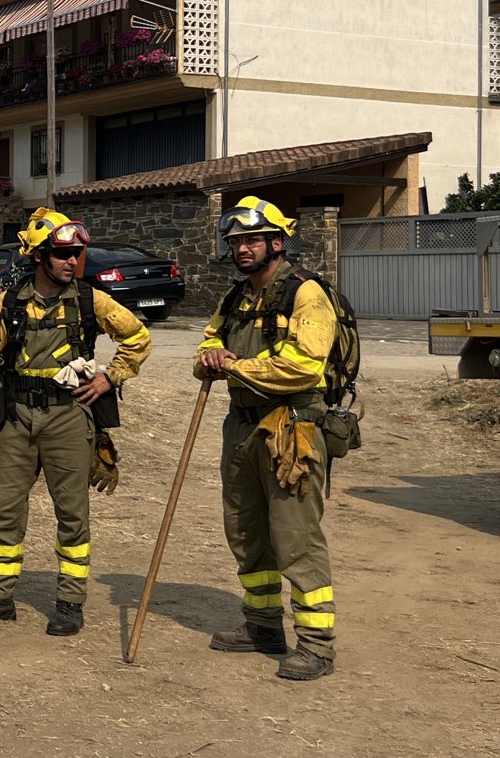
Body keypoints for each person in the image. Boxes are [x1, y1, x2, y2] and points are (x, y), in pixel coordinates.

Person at [0, 208, 151, 636]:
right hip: (16, 420)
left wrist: (109, 378)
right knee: (3, 510)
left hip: (69, 418)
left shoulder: (90, 300)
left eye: (77, 254)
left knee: (72, 513)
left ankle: (69, 602)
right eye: (63, 254)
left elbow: (138, 338)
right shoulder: (8, 304)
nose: (72, 262)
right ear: (40, 256)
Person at [195, 196, 338, 682]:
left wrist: (235, 365)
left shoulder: (307, 294)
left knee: (295, 536)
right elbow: (206, 345)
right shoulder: (235, 298)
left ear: (277, 242)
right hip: (240, 426)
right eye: (235, 242)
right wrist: (213, 355)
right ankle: (261, 627)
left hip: (291, 427)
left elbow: (304, 364)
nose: (242, 249)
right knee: (246, 531)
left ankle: (316, 646)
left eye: (252, 240)